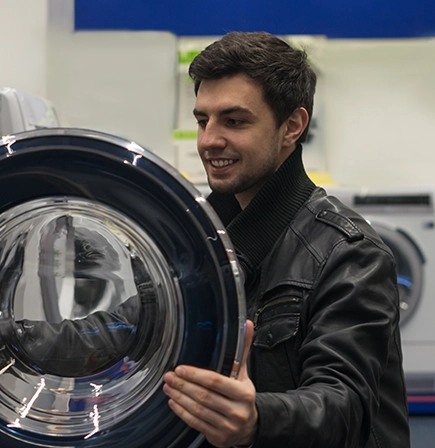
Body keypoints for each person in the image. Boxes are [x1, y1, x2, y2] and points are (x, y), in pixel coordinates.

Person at [160, 32, 410, 447]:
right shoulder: (194, 239)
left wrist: (257, 418)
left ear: (292, 126)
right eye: (203, 120)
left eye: (234, 121)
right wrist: (29, 337)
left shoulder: (350, 255)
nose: (208, 141)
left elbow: (344, 405)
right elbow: (132, 324)